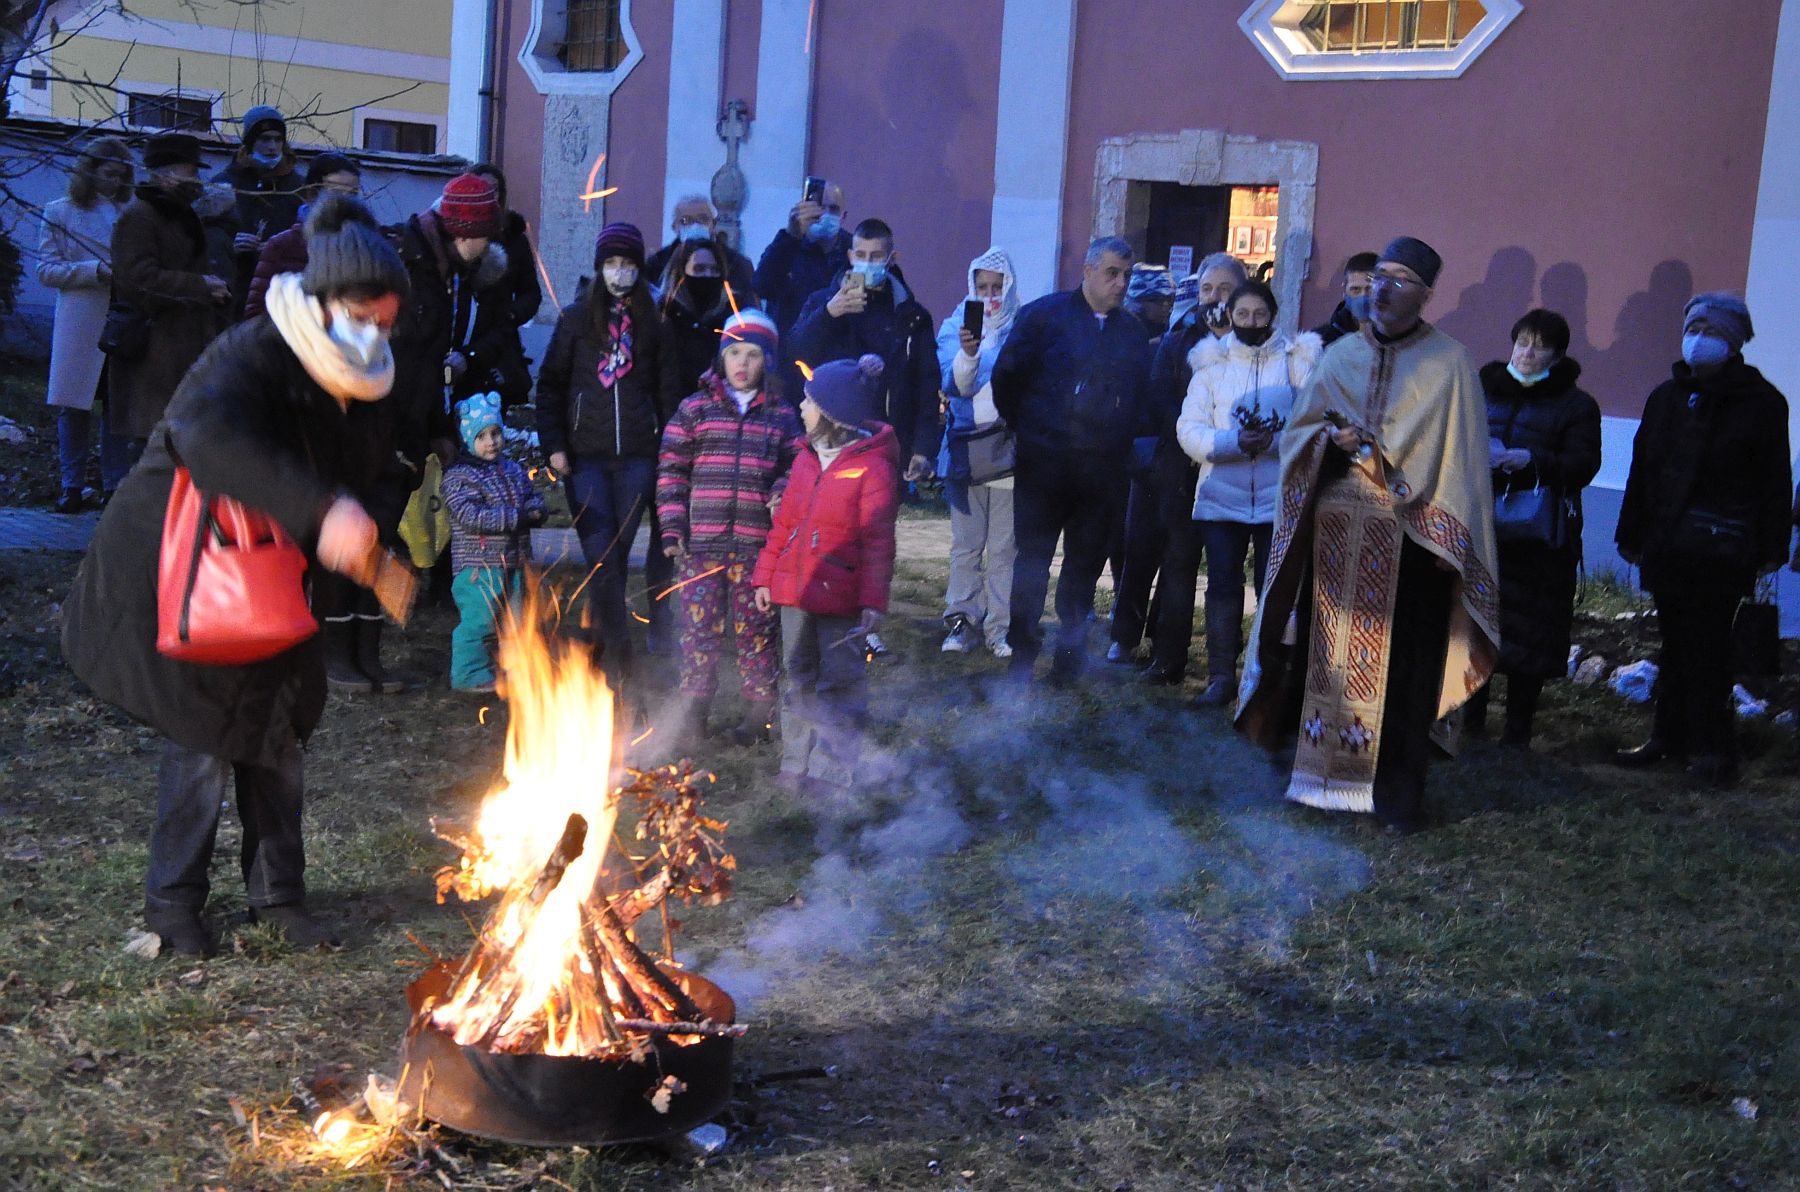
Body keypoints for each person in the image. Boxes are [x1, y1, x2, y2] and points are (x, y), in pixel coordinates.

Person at [61, 195, 411, 955]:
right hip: (186, 577)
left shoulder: (368, 373)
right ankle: (174, 908)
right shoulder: (252, 352)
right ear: (321, 302)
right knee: (202, 744)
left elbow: (371, 462)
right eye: (364, 314)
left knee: (279, 735)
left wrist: (364, 514)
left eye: (387, 320)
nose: (376, 331)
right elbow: (207, 436)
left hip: (275, 586)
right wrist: (321, 508)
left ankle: (279, 899)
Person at [1237, 236, 1500, 835]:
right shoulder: (1339, 358)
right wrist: (1329, 445)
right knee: (1323, 660)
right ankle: (1319, 783)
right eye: (1378, 277)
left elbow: (1457, 464)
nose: (1382, 290)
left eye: (1399, 281)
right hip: (1335, 542)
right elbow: (1299, 442)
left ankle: (1395, 797)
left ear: (1426, 294)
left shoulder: (1450, 365)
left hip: (1413, 547)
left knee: (1406, 672)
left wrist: (1387, 461)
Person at [1615, 293, 1790, 786]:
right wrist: (1631, 533)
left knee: (1710, 646)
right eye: (1695, 328)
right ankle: (1666, 737)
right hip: (1669, 543)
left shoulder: (1761, 403)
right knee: (1673, 641)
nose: (1699, 340)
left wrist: (1770, 549)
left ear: (1733, 343)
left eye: (1712, 332)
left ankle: (1715, 750)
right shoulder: (1666, 397)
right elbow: (1643, 469)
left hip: (1723, 548)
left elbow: (1773, 481)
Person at [992, 236, 1152, 684]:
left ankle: (1069, 653)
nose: (1120, 284)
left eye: (1126, 275)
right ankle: (1022, 648)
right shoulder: (1044, 317)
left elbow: (1141, 395)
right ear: (1087, 270)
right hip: (1045, 464)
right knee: (1032, 560)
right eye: (1112, 273)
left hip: (1102, 470)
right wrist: (1030, 426)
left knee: (1084, 565)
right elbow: (1008, 376)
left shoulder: (1132, 332)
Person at [535, 221, 681, 692]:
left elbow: (666, 389)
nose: (621, 274)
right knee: (601, 556)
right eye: (613, 264)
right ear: (600, 268)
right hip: (586, 458)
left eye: (629, 265)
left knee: (616, 556)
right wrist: (555, 443)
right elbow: (552, 385)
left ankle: (600, 651)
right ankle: (621, 658)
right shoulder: (576, 319)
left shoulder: (654, 323)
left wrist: (667, 448)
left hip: (637, 456)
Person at [752, 355, 899, 792]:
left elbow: (878, 544)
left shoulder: (872, 470)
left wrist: (873, 602)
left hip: (842, 597)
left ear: (833, 415)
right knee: (797, 675)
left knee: (839, 679)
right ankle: (795, 760)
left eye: (809, 402)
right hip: (795, 592)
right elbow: (784, 526)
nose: (800, 408)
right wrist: (765, 577)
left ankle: (832, 766)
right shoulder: (804, 460)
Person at [657, 309, 803, 745]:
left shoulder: (780, 413)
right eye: (734, 353)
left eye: (753, 355)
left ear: (768, 362)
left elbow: (797, 464)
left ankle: (760, 713)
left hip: (755, 549)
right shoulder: (695, 409)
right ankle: (693, 712)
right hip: (701, 546)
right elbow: (671, 470)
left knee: (756, 631)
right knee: (698, 630)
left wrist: (780, 489)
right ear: (722, 358)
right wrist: (671, 526)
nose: (742, 364)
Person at [1175, 280, 1319, 706]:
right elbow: (1189, 429)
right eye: (1242, 315)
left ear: (1272, 316)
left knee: (1273, 589)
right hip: (1221, 496)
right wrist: (1232, 444)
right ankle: (1221, 674)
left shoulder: (1298, 363)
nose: (1251, 323)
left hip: (1278, 497)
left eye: (1259, 315)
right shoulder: (1210, 367)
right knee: (1222, 585)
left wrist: (1274, 443)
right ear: (1229, 317)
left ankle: (1266, 677)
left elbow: (1314, 422)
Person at [1467, 310, 1601, 747]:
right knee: (1476, 621)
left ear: (1557, 355)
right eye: (1521, 341)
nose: (1527, 352)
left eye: (1539, 345)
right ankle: (1470, 718)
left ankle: (1518, 727)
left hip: (1538, 536)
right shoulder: (1482, 390)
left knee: (1531, 628)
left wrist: (1532, 462)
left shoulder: (1576, 405)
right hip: (1481, 524)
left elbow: (1583, 464)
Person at [1115, 252, 1247, 675]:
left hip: (1228, 470)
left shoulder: (1256, 343)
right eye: (1207, 289)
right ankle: (1151, 650)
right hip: (1176, 465)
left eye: (1224, 289)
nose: (1214, 297)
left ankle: (1207, 664)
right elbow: (1158, 397)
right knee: (1160, 558)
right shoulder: (1178, 339)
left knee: (1207, 569)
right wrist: (1192, 433)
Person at [789, 217, 941, 489]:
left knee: (876, 523)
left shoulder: (912, 315)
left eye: (876, 256)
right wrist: (828, 315)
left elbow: (926, 384)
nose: (868, 262)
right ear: (850, 255)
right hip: (831, 435)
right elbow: (795, 353)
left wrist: (923, 448)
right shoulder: (821, 301)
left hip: (887, 439)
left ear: (891, 259)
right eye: (860, 255)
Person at [109, 133, 232, 459]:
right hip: (154, 349)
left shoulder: (180, 213)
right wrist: (200, 286)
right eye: (188, 170)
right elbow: (137, 279)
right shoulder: (140, 216)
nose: (195, 178)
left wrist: (214, 290)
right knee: (153, 446)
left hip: (185, 343)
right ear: (164, 172)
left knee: (178, 444)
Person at [38, 136, 134, 512]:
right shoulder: (61, 211)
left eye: (121, 175)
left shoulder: (131, 210)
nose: (115, 182)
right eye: (108, 173)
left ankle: (113, 485)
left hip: (123, 317)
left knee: (116, 404)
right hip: (80, 319)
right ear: (90, 172)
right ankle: (71, 485)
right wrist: (94, 271)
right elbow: (46, 268)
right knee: (73, 406)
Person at [934, 246, 1020, 658]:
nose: (989, 295)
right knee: (966, 545)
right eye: (982, 286)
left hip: (1008, 453)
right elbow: (956, 385)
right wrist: (970, 355)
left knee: (1004, 548)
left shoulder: (1022, 327)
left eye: (997, 286)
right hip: (967, 451)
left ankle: (999, 629)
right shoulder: (955, 327)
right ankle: (961, 620)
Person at [443, 392, 547, 692]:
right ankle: (468, 671)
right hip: (478, 566)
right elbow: (469, 514)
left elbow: (530, 493)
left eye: (496, 433)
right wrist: (516, 517)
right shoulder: (459, 477)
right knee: (480, 620)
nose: (491, 442)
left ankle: (516, 666)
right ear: (467, 439)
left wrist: (537, 508)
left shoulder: (511, 469)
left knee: (517, 616)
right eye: (482, 436)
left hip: (514, 560)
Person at [461, 164, 545, 408]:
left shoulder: (514, 240)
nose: (489, 196)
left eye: (495, 191)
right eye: (481, 190)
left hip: (501, 340)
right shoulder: (458, 235)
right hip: (463, 338)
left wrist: (512, 314)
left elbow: (531, 292)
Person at [242, 153, 362, 321]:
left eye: (353, 194)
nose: (347, 202)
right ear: (312, 194)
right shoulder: (282, 246)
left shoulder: (360, 250)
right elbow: (255, 315)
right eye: (337, 193)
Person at [212, 105, 304, 318]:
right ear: (251, 141)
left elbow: (308, 241)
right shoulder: (224, 185)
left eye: (278, 139)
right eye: (264, 139)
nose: (272, 147)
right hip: (233, 292)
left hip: (282, 295)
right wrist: (231, 246)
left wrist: (278, 249)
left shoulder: (299, 188)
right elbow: (206, 239)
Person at [752, 179, 849, 338]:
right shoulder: (788, 246)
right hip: (789, 345)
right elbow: (761, 286)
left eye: (833, 209)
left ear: (843, 216)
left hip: (835, 349)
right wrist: (791, 235)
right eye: (818, 207)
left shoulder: (853, 251)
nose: (825, 214)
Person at [659, 235, 741, 396]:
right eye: (699, 269)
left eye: (714, 269)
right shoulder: (663, 314)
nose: (708, 275)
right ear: (681, 272)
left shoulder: (734, 315)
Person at [645, 193, 755, 302]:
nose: (695, 225)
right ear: (675, 227)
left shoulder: (737, 264)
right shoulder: (657, 264)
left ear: (713, 224)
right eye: (686, 220)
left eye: (703, 219)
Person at [1312, 251, 1378, 346]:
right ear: (1345, 292)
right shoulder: (1319, 341)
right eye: (1355, 289)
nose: (1363, 296)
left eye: (1370, 290)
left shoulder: (1397, 339)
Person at [1123, 264, 1175, 338]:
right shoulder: (1121, 332)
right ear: (1139, 302)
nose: (1166, 307)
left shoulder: (1172, 333)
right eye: (1159, 300)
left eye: (1169, 300)